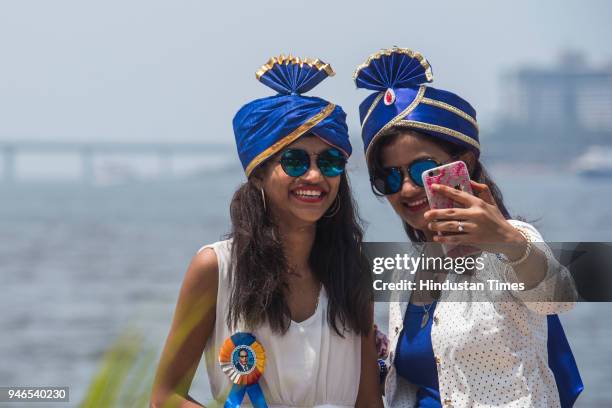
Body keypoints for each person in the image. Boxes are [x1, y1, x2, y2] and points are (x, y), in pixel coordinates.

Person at [353, 47, 582, 407]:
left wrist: (507, 241)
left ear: (464, 163)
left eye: (421, 169)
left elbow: (560, 298)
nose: (408, 188)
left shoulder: (513, 242)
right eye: (390, 178)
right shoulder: (406, 273)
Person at [151, 55, 382, 408]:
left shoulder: (355, 269)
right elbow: (164, 398)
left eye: (330, 162)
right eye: (295, 161)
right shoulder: (215, 267)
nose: (315, 177)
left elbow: (369, 402)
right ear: (258, 173)